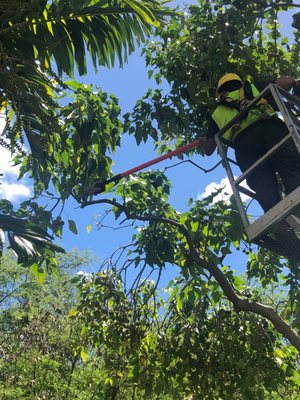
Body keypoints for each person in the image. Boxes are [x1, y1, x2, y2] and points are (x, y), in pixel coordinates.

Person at [203, 73, 300, 212]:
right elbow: (287, 81)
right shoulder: (253, 88)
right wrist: (294, 83)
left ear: (220, 92)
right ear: (239, 82)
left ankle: (281, 225)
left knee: (264, 188)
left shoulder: (217, 113)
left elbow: (208, 149)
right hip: (270, 133)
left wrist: (205, 140)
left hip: (245, 149)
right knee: (292, 169)